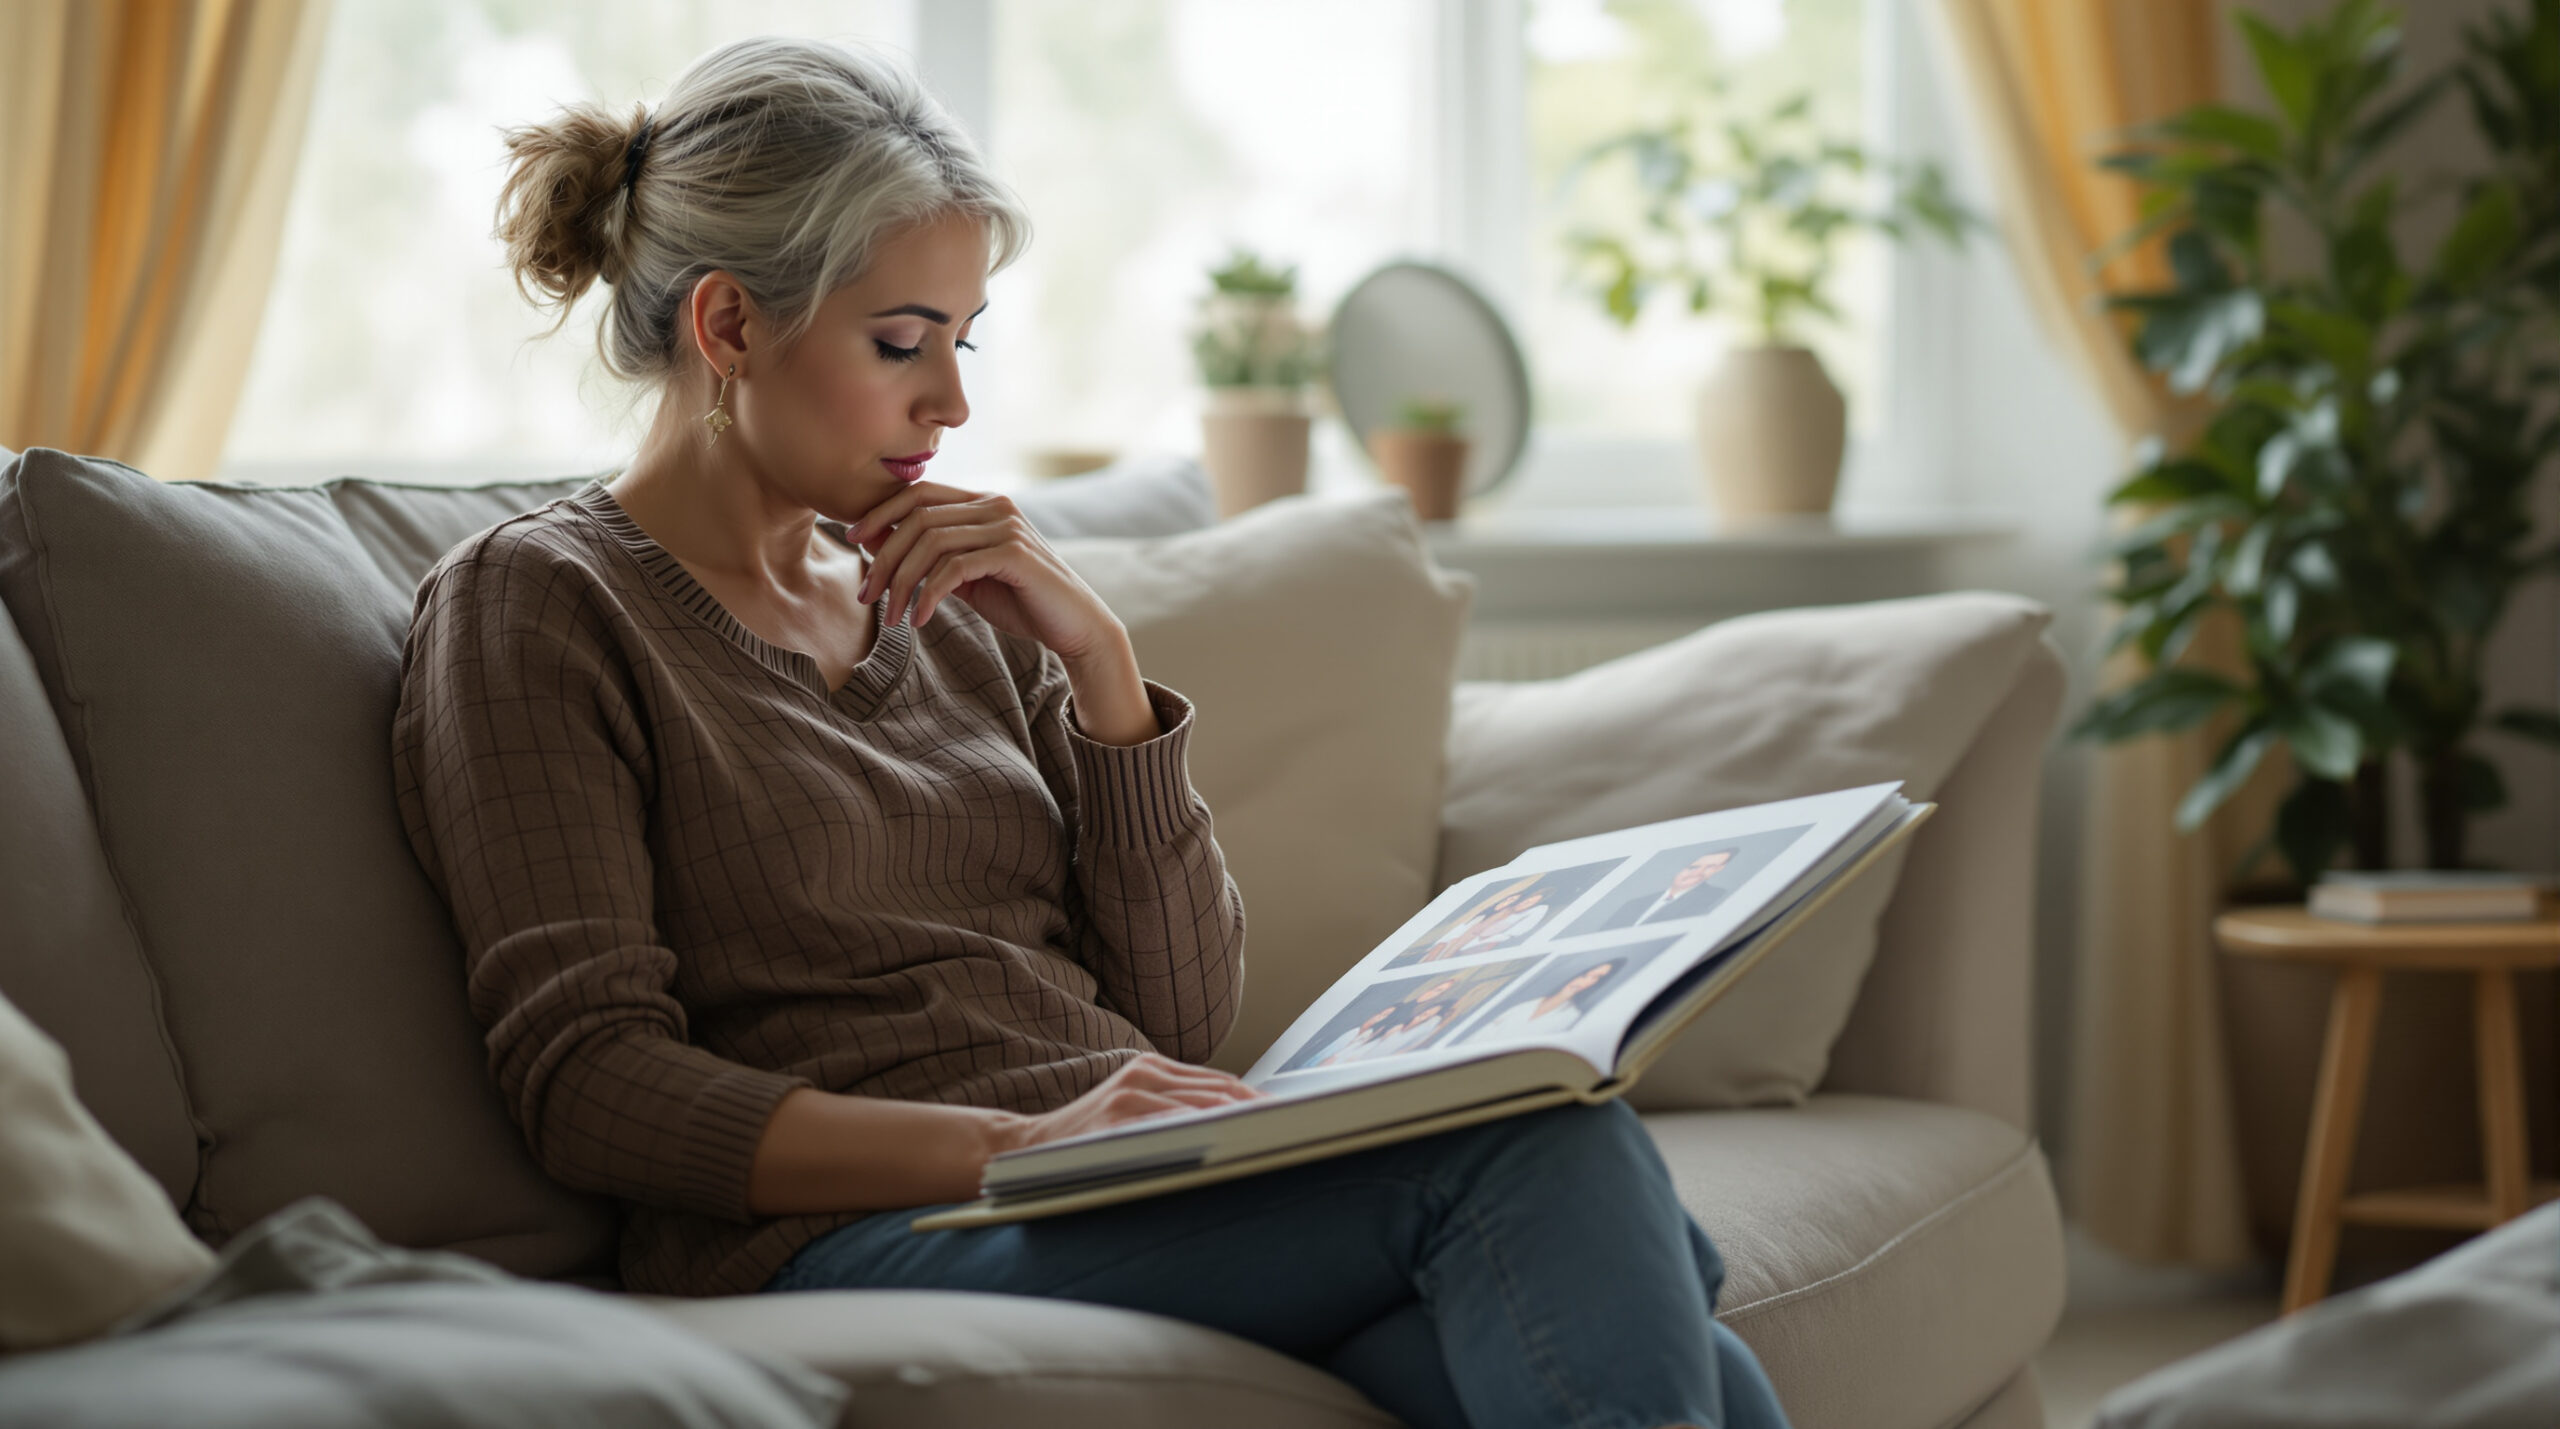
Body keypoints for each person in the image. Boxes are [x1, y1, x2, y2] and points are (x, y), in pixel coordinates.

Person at [394, 36, 1790, 1429]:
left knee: (1696, 1360)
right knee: (1538, 1155)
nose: (951, 404)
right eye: (901, 345)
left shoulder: (948, 601)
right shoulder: (539, 606)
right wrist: (1019, 1141)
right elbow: (590, 1085)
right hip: (854, 1237)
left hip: (1121, 1188)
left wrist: (1102, 666)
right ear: (729, 328)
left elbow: (1178, 1017)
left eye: (961, 341)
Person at [1469, 960, 1625, 1041]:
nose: (1585, 980)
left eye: (1595, 978)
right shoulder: (1527, 1001)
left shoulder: (1571, 1016)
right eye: (1586, 974)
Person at [1586, 849, 1735, 932]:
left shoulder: (1716, 898)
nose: (1698, 873)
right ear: (1681, 868)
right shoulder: (1635, 903)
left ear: (1719, 870)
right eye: (1693, 867)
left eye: (1710, 867)